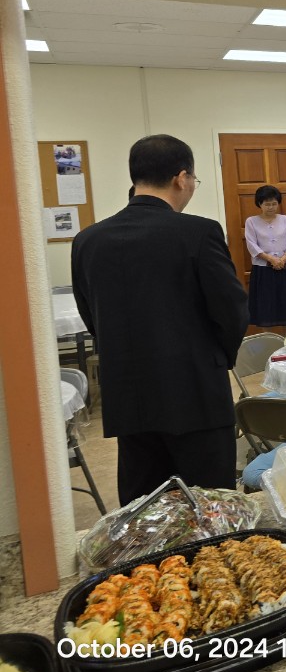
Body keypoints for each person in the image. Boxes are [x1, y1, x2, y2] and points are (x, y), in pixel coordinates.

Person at [71, 134, 249, 504]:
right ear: (181, 178)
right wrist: (219, 358)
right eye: (194, 180)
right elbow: (232, 311)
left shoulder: (88, 241)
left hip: (129, 397)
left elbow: (91, 316)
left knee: (143, 509)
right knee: (210, 506)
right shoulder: (199, 232)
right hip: (196, 393)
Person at [244, 184, 286, 329]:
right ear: (259, 204)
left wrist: (284, 258)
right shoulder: (251, 221)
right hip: (263, 269)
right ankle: (268, 338)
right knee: (265, 306)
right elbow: (252, 244)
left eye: (274, 204)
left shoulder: (285, 220)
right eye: (267, 204)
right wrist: (271, 259)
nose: (271, 207)